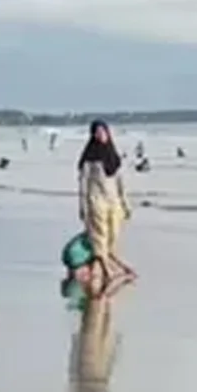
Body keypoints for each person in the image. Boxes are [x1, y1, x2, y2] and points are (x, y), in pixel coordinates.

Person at [77, 119, 135, 282]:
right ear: (93, 135)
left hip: (114, 201)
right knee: (99, 235)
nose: (101, 134)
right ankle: (106, 268)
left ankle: (100, 262)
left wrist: (125, 203)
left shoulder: (113, 156)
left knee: (113, 235)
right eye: (98, 132)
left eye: (104, 131)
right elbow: (83, 182)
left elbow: (120, 182)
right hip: (96, 201)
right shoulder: (89, 158)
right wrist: (82, 206)